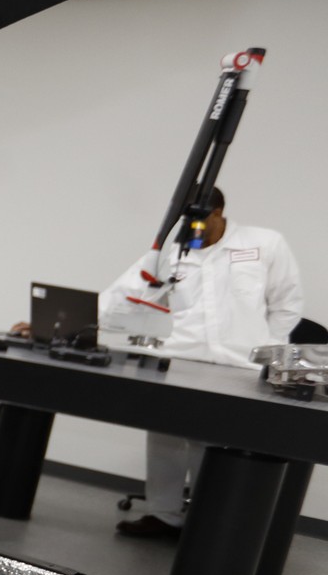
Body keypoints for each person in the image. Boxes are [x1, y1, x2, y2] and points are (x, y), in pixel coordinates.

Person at [95, 187, 304, 539]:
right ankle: (163, 515)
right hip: (179, 361)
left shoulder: (264, 243)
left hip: (238, 367)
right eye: (187, 221)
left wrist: (267, 347)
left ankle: (207, 522)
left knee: (215, 442)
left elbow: (287, 302)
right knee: (165, 437)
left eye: (201, 220)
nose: (193, 229)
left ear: (219, 212)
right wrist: (74, 322)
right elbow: (121, 295)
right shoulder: (170, 251)